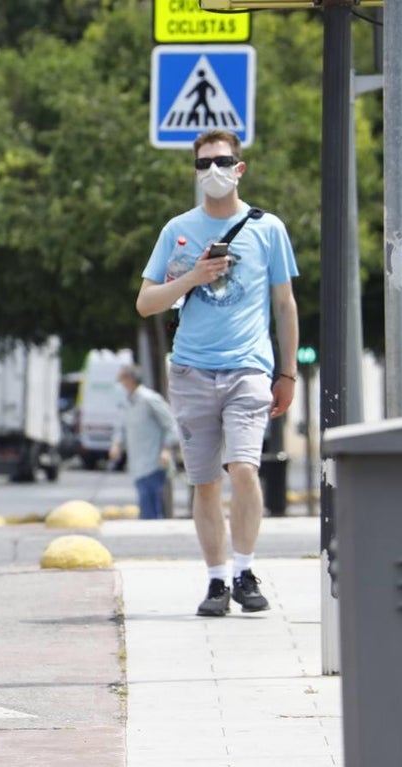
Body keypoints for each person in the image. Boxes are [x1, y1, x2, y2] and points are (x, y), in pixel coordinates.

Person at [135, 128, 299, 617]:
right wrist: (192, 276)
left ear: (239, 168)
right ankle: (216, 580)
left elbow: (285, 305)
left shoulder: (268, 228)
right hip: (191, 370)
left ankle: (245, 571)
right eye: (203, 163)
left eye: (222, 161)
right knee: (205, 482)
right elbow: (146, 302)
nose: (213, 171)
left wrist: (287, 374)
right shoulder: (177, 230)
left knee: (244, 469)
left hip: (249, 367)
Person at [108, 365, 180, 521]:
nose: (119, 383)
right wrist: (117, 445)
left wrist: (166, 449)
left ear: (130, 379)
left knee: (151, 511)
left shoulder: (149, 399)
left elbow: (171, 425)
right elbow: (122, 427)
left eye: (121, 379)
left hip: (154, 463)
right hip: (137, 464)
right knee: (146, 510)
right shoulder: (127, 402)